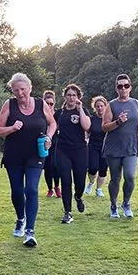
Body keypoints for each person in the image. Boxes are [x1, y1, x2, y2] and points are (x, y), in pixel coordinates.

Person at [0, 73, 56, 247]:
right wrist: (12, 128)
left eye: (23, 89)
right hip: (13, 155)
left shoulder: (40, 104)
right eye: (16, 90)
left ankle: (30, 231)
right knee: (17, 191)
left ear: (29, 88)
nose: (20, 93)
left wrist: (49, 137)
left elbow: (52, 123)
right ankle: (20, 218)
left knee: (31, 190)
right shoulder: (9, 105)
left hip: (35, 154)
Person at [102, 74, 138, 219]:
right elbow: (104, 127)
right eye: (120, 86)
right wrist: (117, 122)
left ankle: (126, 203)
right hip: (114, 147)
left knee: (130, 176)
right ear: (116, 88)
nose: (123, 89)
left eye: (126, 86)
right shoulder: (112, 105)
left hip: (131, 145)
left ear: (130, 87)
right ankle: (113, 205)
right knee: (115, 178)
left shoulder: (136, 103)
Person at [54, 83, 90, 224]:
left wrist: (80, 109)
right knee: (66, 180)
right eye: (69, 95)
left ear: (78, 97)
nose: (71, 98)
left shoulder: (82, 110)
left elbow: (87, 127)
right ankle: (67, 212)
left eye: (74, 95)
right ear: (65, 96)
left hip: (80, 150)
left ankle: (79, 196)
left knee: (80, 180)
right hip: (62, 150)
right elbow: (52, 127)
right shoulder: (60, 113)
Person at [84, 96, 108, 197]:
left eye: (102, 106)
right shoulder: (92, 119)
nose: (100, 108)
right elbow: (87, 132)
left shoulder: (109, 119)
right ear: (95, 107)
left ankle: (99, 189)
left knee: (103, 169)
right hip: (93, 146)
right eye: (97, 106)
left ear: (105, 107)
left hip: (106, 147)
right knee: (93, 168)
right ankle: (91, 182)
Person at [42, 90, 62, 198]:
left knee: (56, 165)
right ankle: (50, 189)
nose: (49, 106)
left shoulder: (59, 114)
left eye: (51, 103)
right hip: (45, 144)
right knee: (48, 167)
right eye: (47, 103)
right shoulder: (41, 115)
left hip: (57, 143)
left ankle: (57, 187)